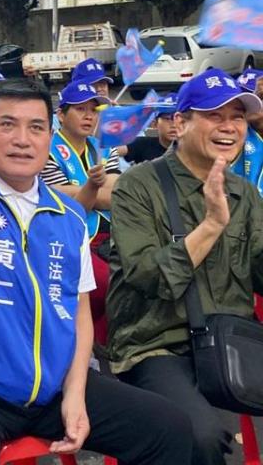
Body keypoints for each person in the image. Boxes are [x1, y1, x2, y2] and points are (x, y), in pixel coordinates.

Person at [0, 14, 193, 465]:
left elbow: (77, 315)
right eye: (7, 125)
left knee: (171, 431)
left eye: (35, 127)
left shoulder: (69, 215)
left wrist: (75, 395)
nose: (22, 139)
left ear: (48, 136)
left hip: (54, 388)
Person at [107, 69, 263, 465]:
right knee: (199, 435)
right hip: (157, 345)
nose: (229, 127)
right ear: (180, 123)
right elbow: (147, 276)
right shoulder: (137, 186)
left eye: (238, 117)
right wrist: (211, 224)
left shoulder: (244, 193)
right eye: (215, 115)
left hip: (231, 344)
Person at [41, 80, 122, 344]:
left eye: (94, 110)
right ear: (61, 115)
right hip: (71, 236)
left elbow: (118, 191)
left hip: (112, 234)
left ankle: (100, 345)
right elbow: (60, 199)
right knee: (109, 283)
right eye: (80, 109)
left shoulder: (102, 146)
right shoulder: (46, 149)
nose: (89, 116)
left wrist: (79, 190)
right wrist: (91, 190)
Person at [122, 94, 179, 165]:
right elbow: (113, 151)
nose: (174, 125)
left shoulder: (193, 149)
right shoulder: (142, 144)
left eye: (179, 119)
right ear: (154, 124)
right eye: (167, 118)